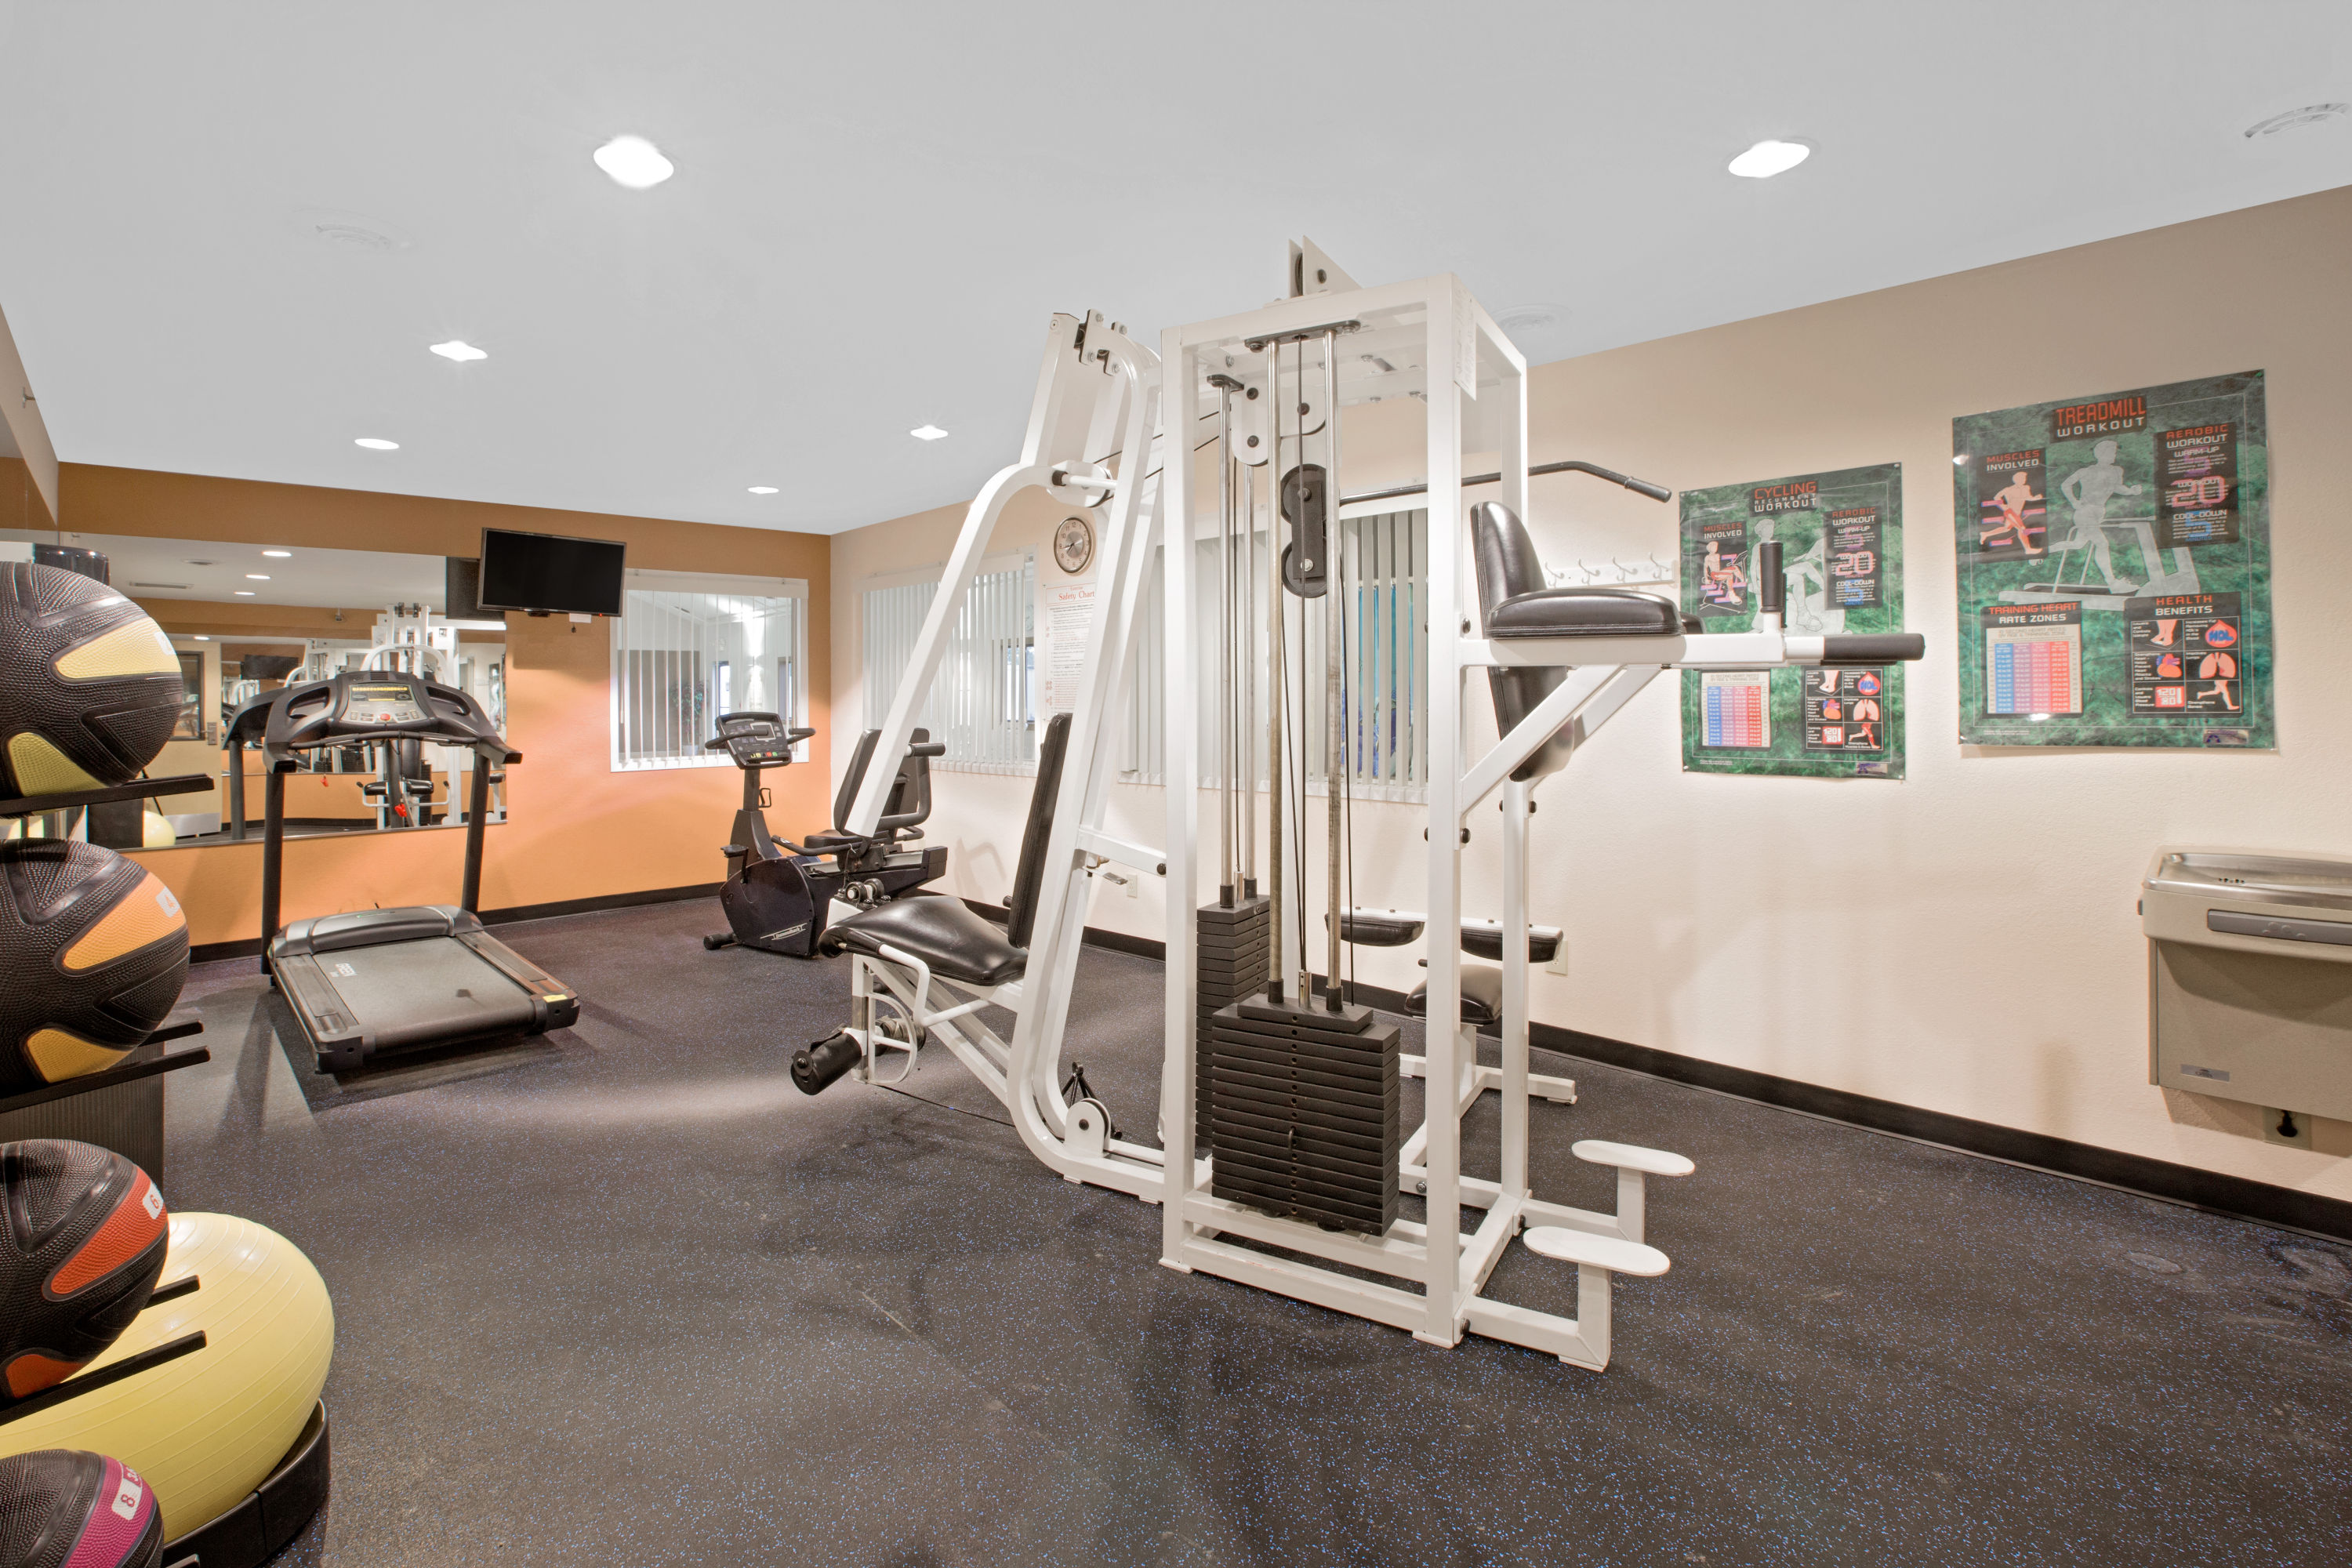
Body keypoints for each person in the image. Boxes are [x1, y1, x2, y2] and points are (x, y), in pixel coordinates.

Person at [2058, 439, 2144, 594]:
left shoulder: (2117, 470)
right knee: (2102, 544)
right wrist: (2073, 501)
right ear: (2100, 454)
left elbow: (2118, 488)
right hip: (2085, 512)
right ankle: (2112, 583)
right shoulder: (2086, 471)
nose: (2114, 455)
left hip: (2099, 512)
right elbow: (2065, 484)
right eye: (2111, 452)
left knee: (2076, 544)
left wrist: (2132, 491)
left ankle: (2040, 551)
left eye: (2115, 452)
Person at [1980, 466, 2045, 554]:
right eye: (2021, 478)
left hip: (2017, 513)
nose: (2024, 480)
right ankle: (2028, 549)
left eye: (2024, 478)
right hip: (2010, 512)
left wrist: (2035, 498)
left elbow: (2028, 498)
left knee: (2006, 529)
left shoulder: (2026, 488)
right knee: (2022, 529)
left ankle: (1985, 534)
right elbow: (1996, 497)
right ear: (2016, 480)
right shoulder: (2009, 489)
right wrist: (2003, 506)